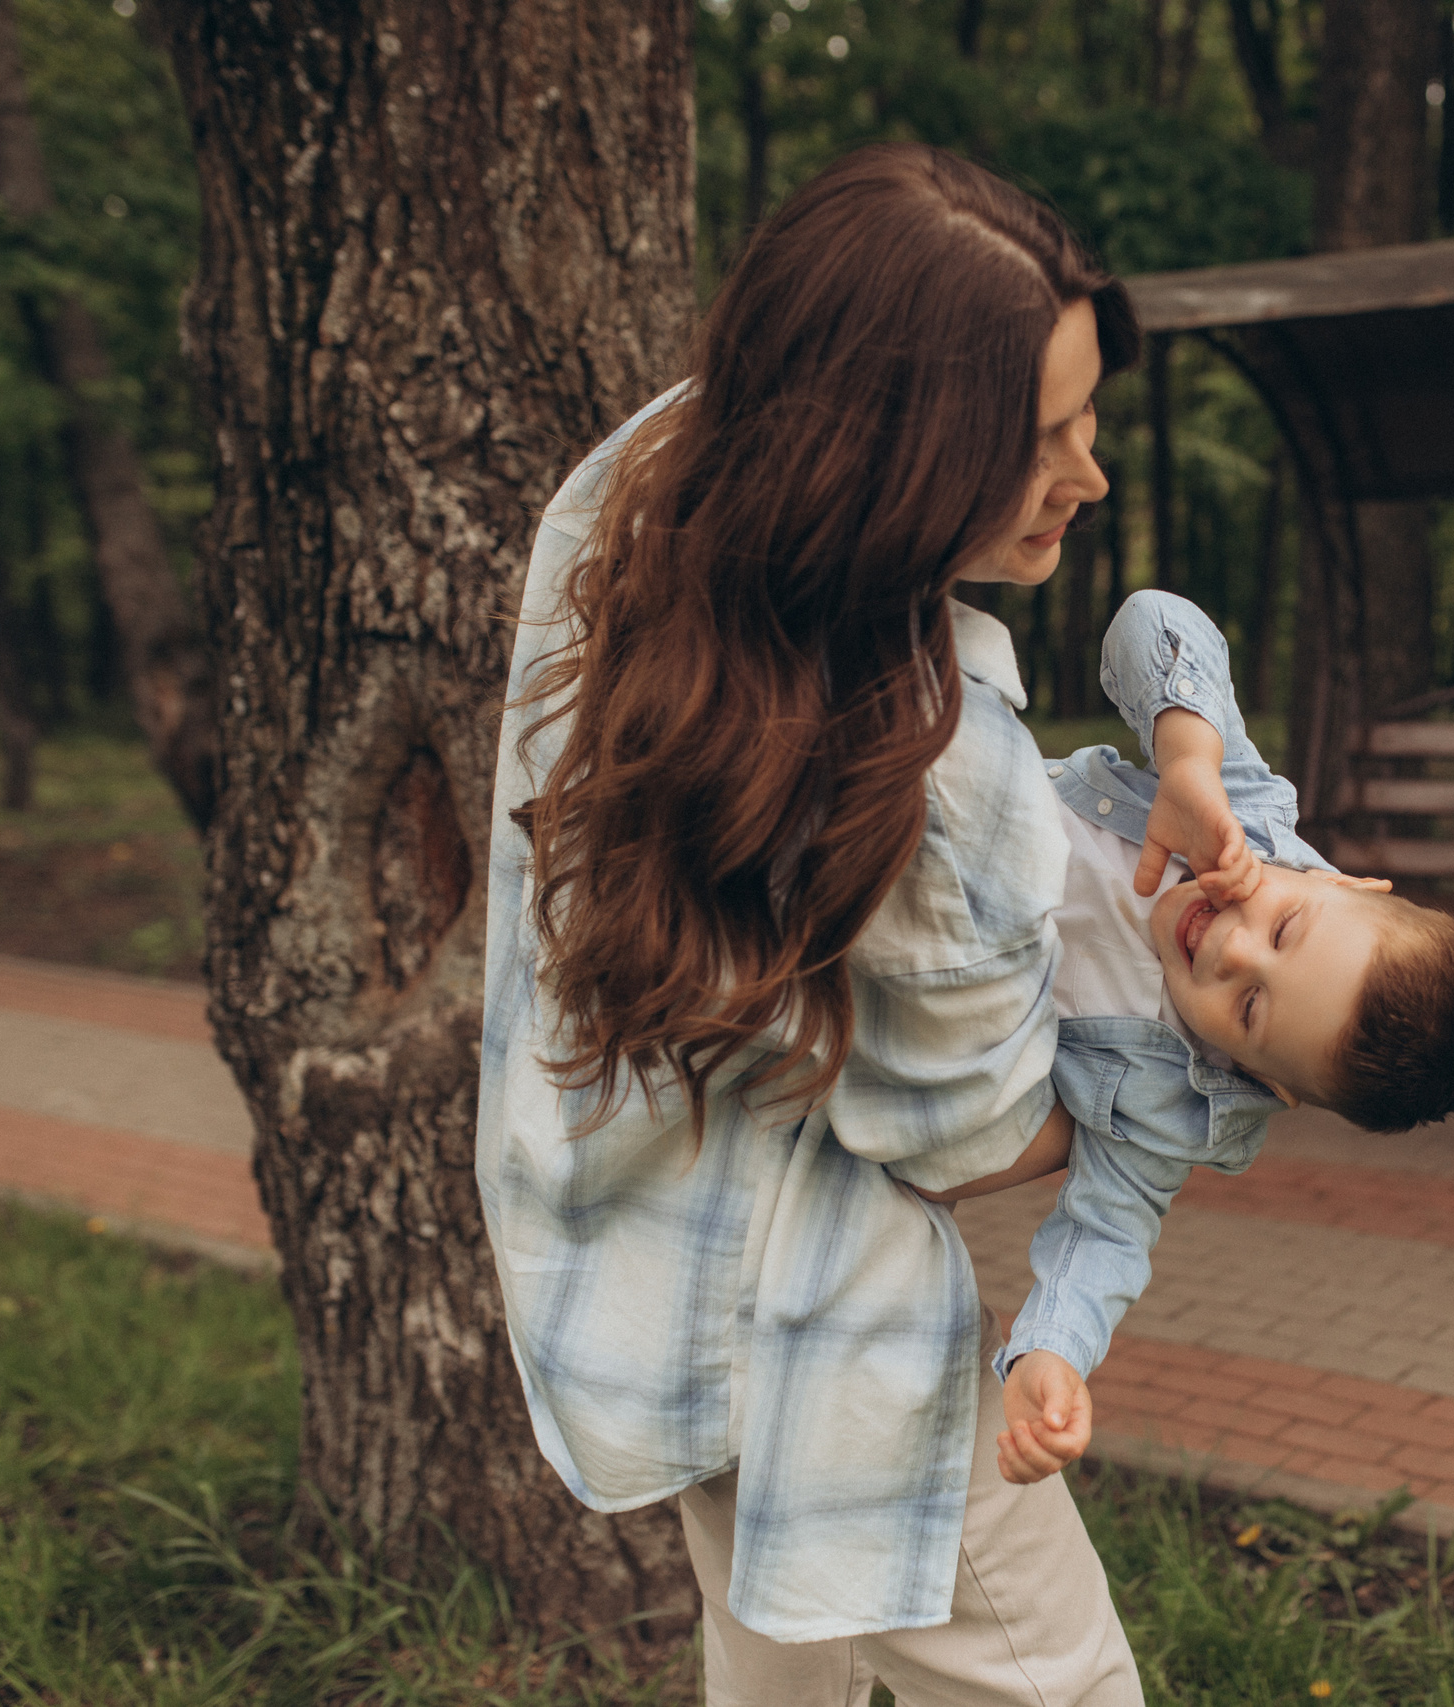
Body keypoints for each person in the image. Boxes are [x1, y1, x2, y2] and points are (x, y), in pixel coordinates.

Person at [477, 145, 1144, 1706]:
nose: (1091, 471)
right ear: (899, 447)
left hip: (619, 1245)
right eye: (1042, 437)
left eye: (1087, 410)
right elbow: (966, 1131)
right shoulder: (935, 742)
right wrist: (1184, 1066)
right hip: (816, 1339)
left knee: (781, 1682)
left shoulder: (643, 489)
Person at [980, 590, 1454, 1485]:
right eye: (1287, 925)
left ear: (1274, 1084)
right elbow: (1153, 621)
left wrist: (1051, 1355)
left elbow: (1107, 1233)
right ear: (1351, 884)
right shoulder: (1246, 809)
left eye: (1253, 1010)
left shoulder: (1170, 1105)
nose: (1230, 947)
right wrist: (1189, 758)